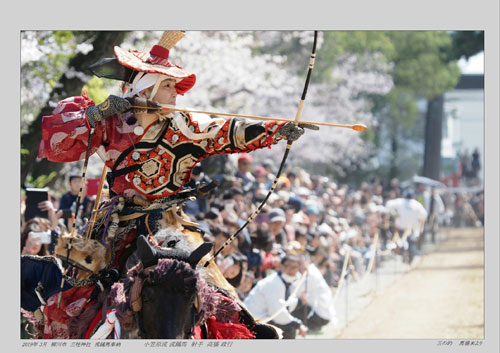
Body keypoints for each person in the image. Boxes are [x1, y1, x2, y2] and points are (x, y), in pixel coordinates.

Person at [32, 31, 315, 339]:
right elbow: (61, 145)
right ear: (147, 88)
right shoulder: (112, 121)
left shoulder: (186, 126)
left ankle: (248, 330)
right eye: (167, 85)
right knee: (82, 287)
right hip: (118, 224)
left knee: (214, 286)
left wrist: (279, 129)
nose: (175, 93)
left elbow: (230, 131)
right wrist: (96, 112)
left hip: (170, 224)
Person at [244, 254, 308, 339]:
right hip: (252, 323)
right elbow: (278, 313)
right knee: (289, 328)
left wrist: (300, 301)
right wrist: (298, 324)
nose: (290, 270)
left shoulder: (285, 280)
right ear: (281, 266)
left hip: (262, 319)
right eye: (287, 266)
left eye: (294, 267)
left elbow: (287, 304)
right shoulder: (274, 283)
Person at [385, 190, 428, 264]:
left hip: (403, 227)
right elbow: (424, 215)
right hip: (412, 228)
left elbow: (388, 205)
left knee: (403, 242)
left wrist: (394, 213)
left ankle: (405, 254)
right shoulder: (416, 204)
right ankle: (409, 256)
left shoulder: (400, 202)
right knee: (409, 242)